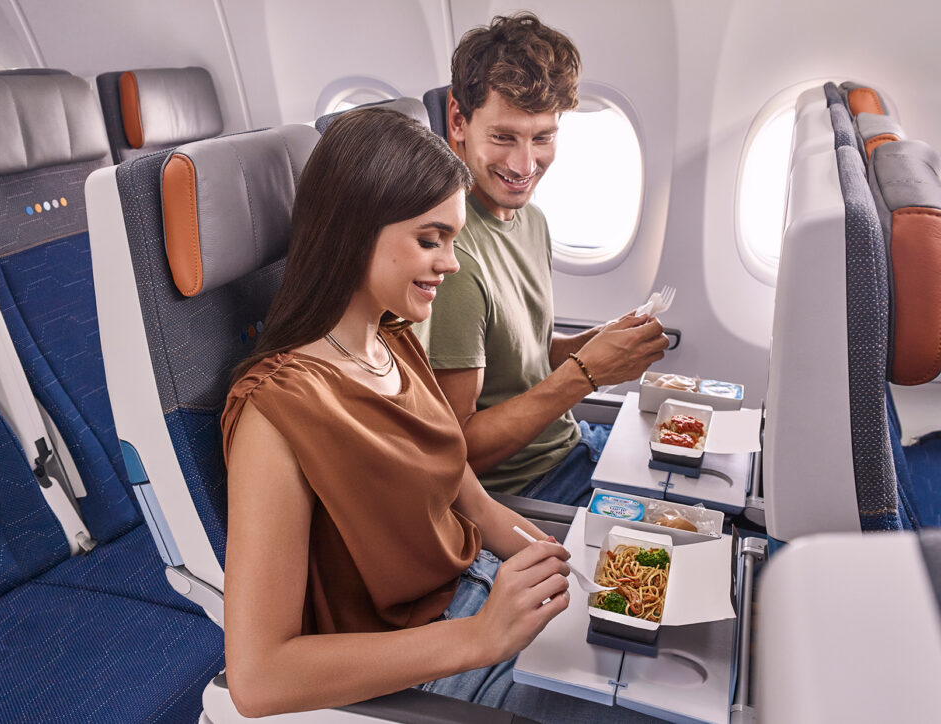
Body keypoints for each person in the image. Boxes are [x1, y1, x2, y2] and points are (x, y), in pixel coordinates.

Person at [221, 108, 656, 722]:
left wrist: (583, 577)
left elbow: (477, 506)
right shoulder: (277, 410)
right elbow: (259, 678)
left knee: (656, 659)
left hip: (483, 591)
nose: (450, 263)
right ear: (352, 232)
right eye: (430, 240)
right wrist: (480, 638)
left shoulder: (394, 340)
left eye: (452, 239)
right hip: (420, 662)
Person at [417, 13, 669, 506]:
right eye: (504, 137)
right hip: (528, 489)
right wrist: (587, 374)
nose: (524, 166)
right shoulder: (453, 259)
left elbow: (516, 359)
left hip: (572, 448)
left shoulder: (530, 220)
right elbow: (457, 449)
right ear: (458, 121)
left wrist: (596, 343)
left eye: (543, 137)